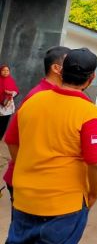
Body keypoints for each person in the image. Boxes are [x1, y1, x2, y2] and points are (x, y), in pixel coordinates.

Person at [4, 48, 97, 243]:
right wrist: (94, 194)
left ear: (62, 71)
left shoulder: (33, 101)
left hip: (25, 199)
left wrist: (27, 166)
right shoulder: (89, 113)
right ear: (91, 78)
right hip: (64, 207)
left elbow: (12, 141)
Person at [2, 46, 70, 200]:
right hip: (29, 184)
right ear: (56, 68)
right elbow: (12, 139)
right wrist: (28, 172)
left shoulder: (55, 94)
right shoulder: (41, 96)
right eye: (70, 64)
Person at [0, 65, 19, 139]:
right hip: (0, 105)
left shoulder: (11, 80)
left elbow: (16, 91)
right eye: (3, 70)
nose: (5, 72)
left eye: (7, 70)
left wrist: (11, 92)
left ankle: (0, 136)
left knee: (5, 121)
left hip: (7, 105)